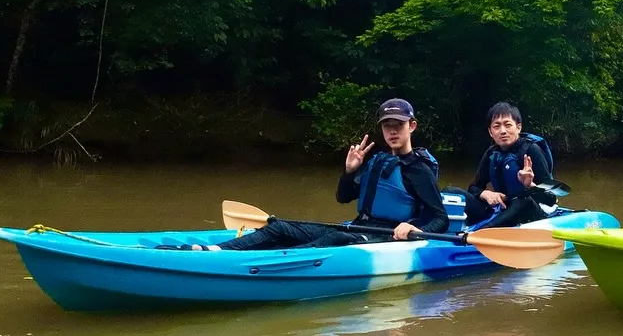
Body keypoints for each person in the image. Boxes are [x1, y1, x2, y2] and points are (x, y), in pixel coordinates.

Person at [177, 98, 449, 251]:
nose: (392, 131)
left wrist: (417, 229)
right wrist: (349, 171)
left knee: (334, 239)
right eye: (387, 125)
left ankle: (275, 261)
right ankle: (219, 251)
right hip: (358, 227)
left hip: (387, 238)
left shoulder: (418, 169)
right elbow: (343, 197)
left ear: (411, 126)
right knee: (281, 226)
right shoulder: (376, 160)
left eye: (398, 125)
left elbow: (441, 219)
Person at [464, 102, 558, 228]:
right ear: (490, 132)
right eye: (496, 126)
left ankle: (483, 231)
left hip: (533, 210)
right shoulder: (491, 154)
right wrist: (486, 194)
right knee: (452, 192)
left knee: (524, 200)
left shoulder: (531, 150)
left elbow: (551, 199)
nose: (503, 131)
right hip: (505, 210)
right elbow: (473, 188)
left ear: (518, 127)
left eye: (508, 125)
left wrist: (530, 185)